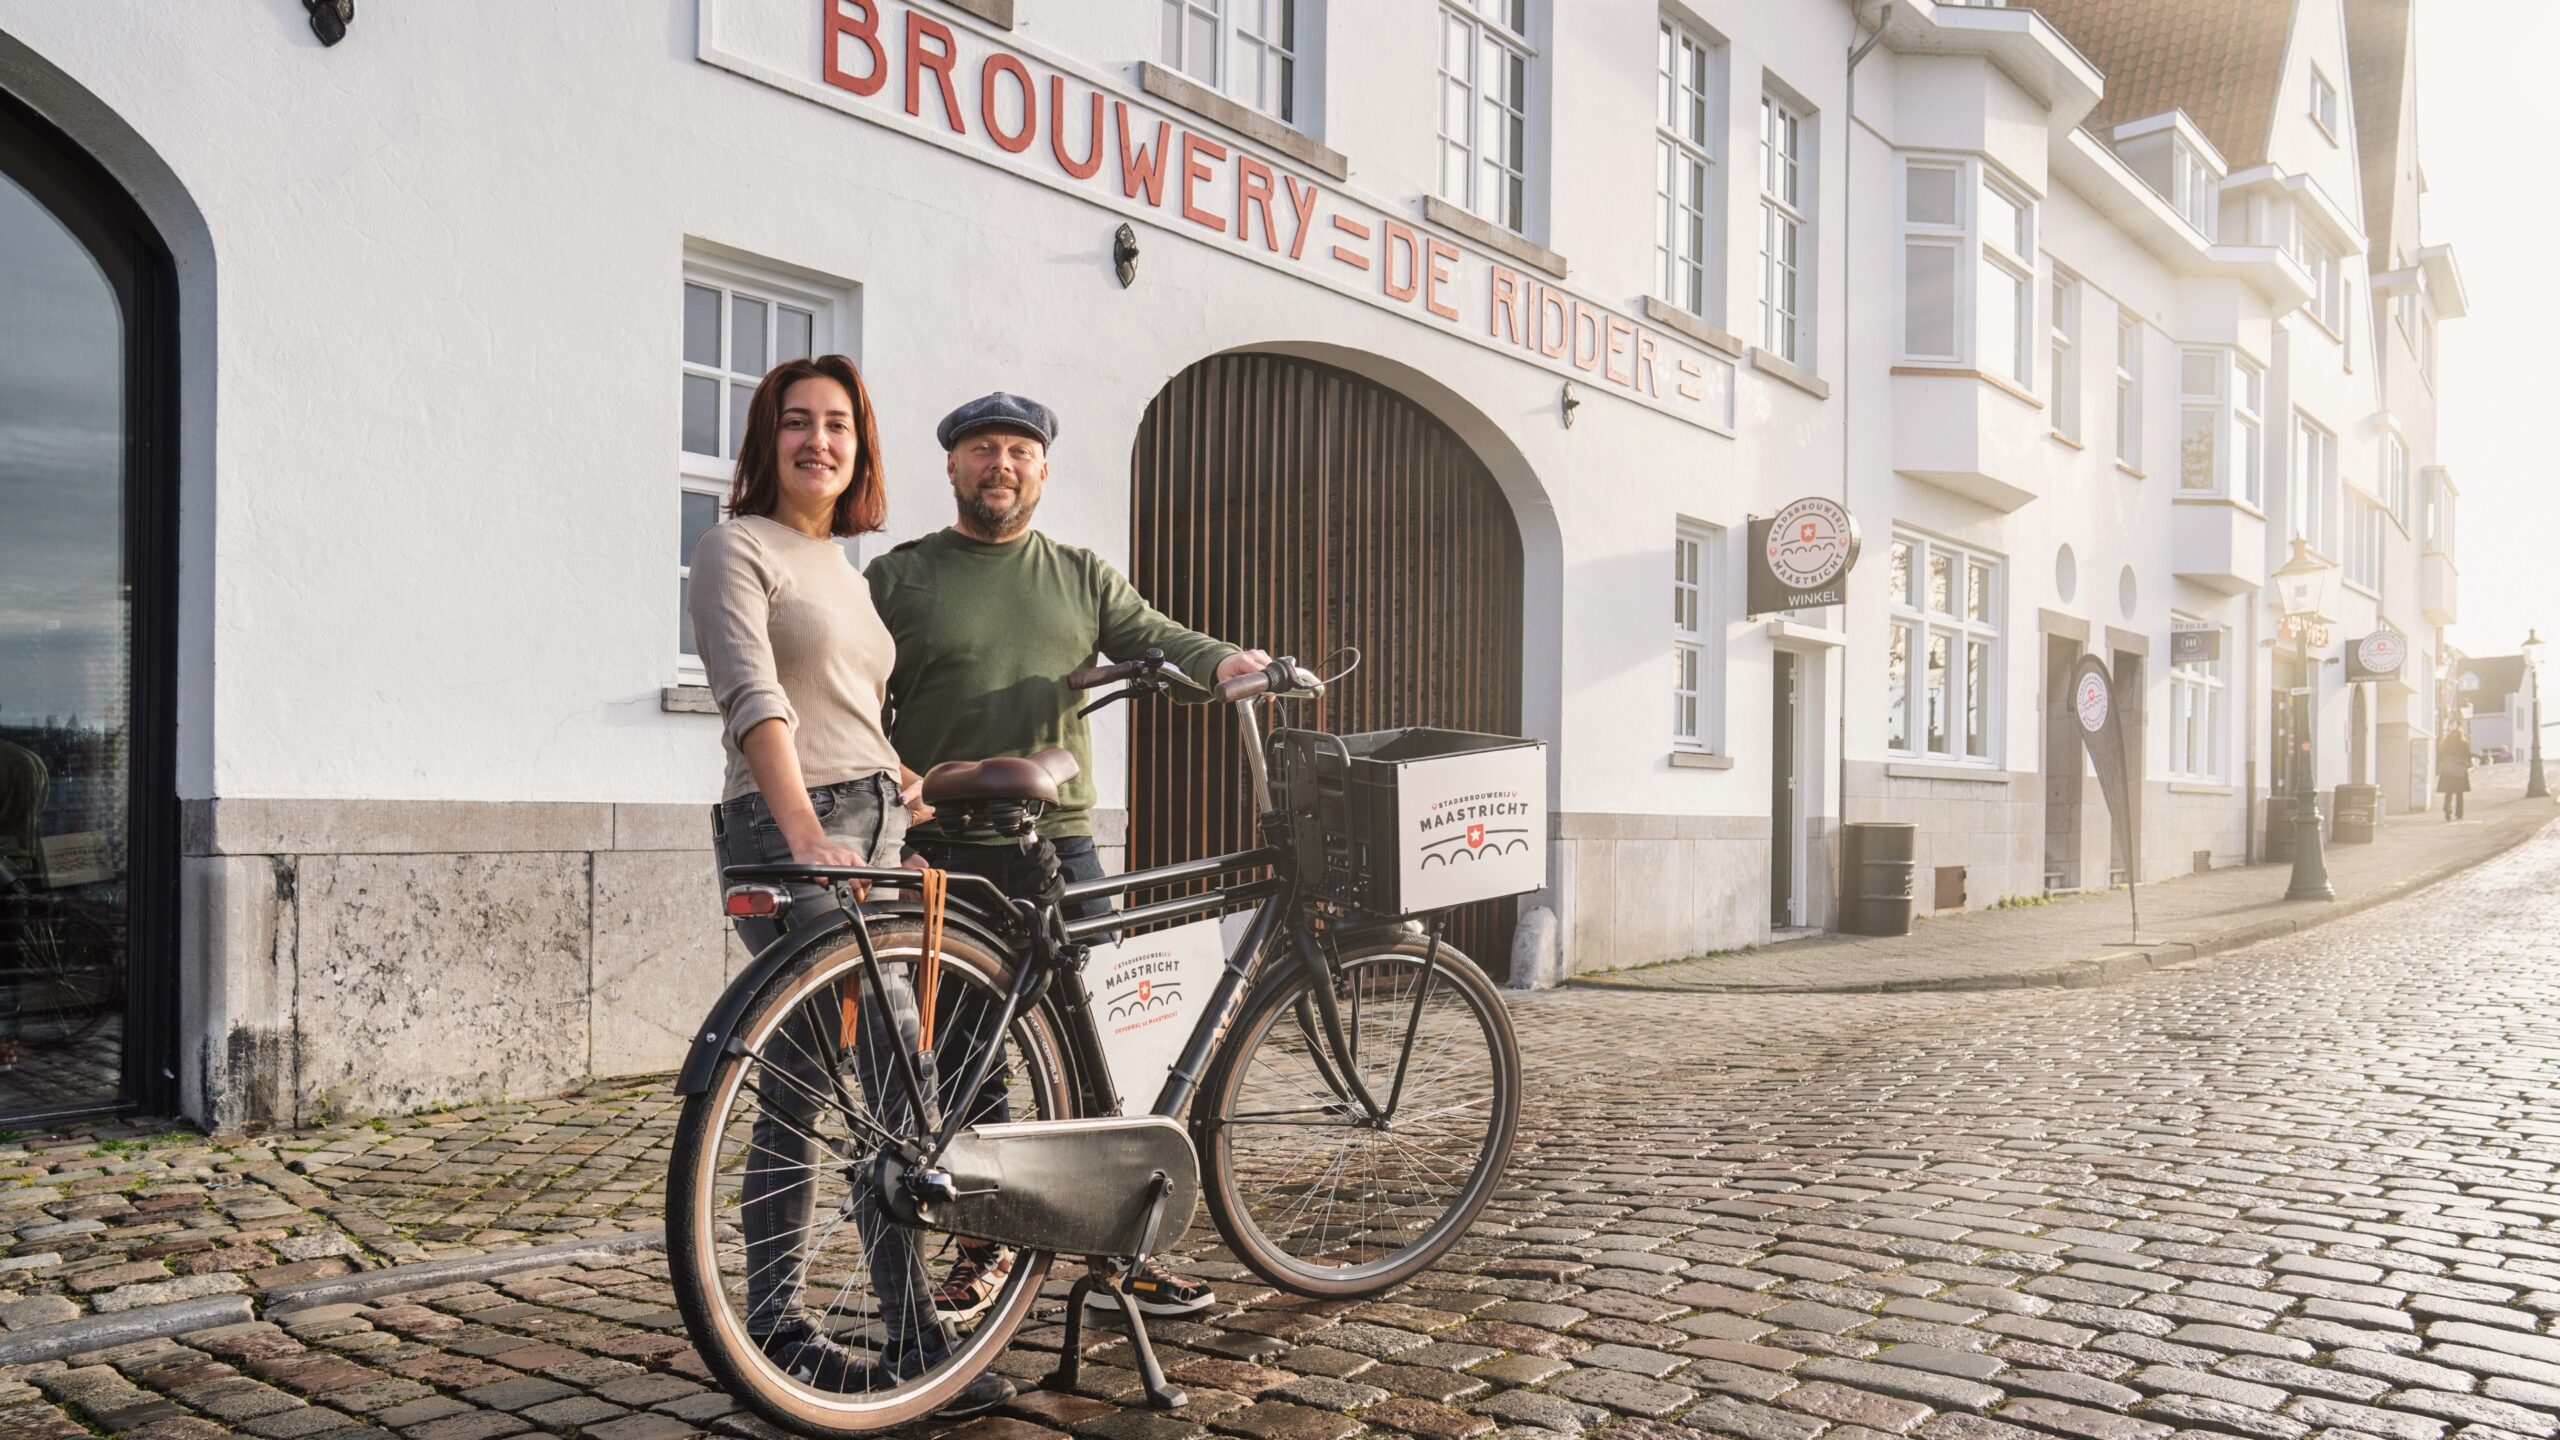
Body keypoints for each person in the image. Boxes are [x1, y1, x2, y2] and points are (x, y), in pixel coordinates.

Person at [867, 391, 1271, 1321]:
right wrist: (895, 774)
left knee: (1109, 1048)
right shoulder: (903, 577)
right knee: (969, 1062)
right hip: (947, 849)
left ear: (1042, 470)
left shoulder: (1081, 575)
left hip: (1060, 844)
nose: (999, 466)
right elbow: (854, 691)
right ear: (952, 468)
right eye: (981, 451)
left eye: (1018, 451)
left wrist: (1225, 664)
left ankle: (1122, 1252)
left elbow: (1157, 636)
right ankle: (986, 1248)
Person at [687, 355, 1013, 1418]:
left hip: (869, 824)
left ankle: (775, 1329)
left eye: (836, 425)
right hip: (793, 832)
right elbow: (755, 703)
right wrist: (807, 834)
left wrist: (903, 786)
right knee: (894, 1078)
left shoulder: (843, 566)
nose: (816, 442)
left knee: (800, 1079)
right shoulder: (735, 546)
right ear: (764, 440)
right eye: (796, 423)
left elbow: (845, 707)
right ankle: (915, 1344)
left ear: (860, 446)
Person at [2438, 723, 2473, 820]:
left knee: (2448, 792)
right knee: (2459, 793)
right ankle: (2459, 813)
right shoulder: (2463, 744)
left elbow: (2440, 757)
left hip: (2448, 771)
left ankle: (2447, 808)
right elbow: (2468, 755)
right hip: (2459, 771)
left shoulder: (2445, 744)